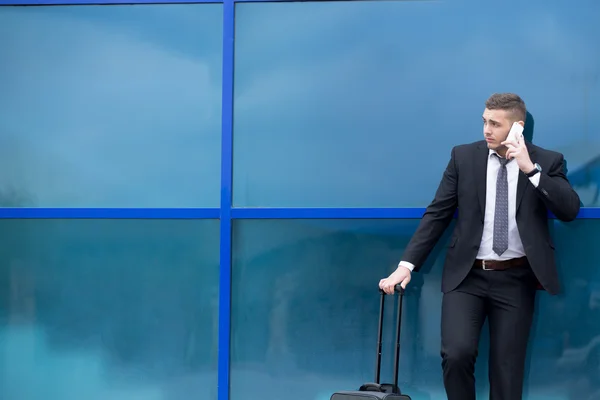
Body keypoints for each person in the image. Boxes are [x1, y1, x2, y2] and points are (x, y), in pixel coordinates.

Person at [378, 93, 581, 400]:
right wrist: (405, 265)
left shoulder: (548, 160)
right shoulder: (464, 157)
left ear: (517, 128)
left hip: (516, 279)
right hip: (467, 277)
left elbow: (570, 210)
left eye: (495, 124)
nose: (486, 129)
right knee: (456, 355)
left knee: (507, 371)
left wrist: (530, 169)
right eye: (484, 121)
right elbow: (437, 214)